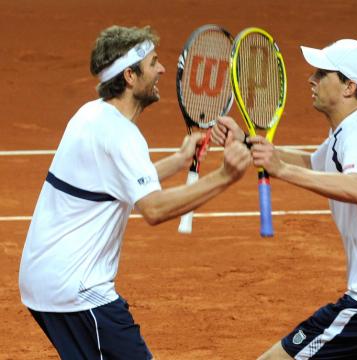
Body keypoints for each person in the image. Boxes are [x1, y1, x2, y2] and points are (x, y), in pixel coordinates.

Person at [18, 25, 251, 359]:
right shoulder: (121, 136)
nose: (162, 70)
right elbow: (153, 209)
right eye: (153, 62)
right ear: (129, 76)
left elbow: (116, 185)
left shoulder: (91, 114)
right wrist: (225, 176)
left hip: (44, 280)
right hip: (78, 289)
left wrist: (180, 159)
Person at [212, 39, 357, 359]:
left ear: (349, 86)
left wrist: (279, 169)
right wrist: (248, 143)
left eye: (323, 73)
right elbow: (311, 163)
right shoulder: (350, 131)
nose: (312, 79)